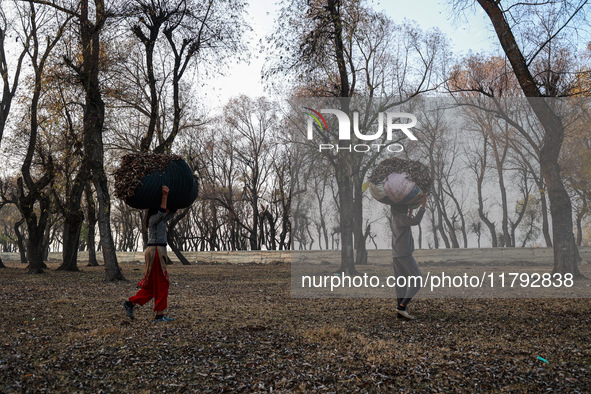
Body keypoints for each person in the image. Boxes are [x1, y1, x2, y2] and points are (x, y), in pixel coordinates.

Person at [124, 185, 175, 322]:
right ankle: (159, 315)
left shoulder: (160, 220)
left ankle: (130, 303)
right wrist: (164, 196)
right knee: (163, 283)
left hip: (157, 251)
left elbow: (169, 214)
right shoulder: (154, 218)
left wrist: (174, 201)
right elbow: (161, 213)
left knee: (153, 286)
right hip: (156, 251)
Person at [390, 194, 427, 320]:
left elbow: (407, 221)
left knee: (401, 283)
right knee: (417, 279)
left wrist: (410, 211)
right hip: (404, 254)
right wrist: (423, 206)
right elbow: (415, 221)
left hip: (396, 254)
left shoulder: (396, 218)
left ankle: (400, 311)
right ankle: (402, 306)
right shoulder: (401, 218)